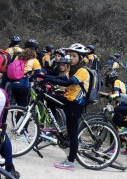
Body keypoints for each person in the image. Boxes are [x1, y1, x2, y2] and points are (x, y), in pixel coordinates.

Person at [39, 43, 91, 171]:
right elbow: (59, 78)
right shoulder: (73, 70)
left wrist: (46, 80)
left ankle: (70, 162)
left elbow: (67, 82)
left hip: (76, 104)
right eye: (70, 55)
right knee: (47, 97)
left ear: (81, 57)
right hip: (68, 100)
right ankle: (54, 126)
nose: (71, 58)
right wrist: (42, 76)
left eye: (74, 56)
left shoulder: (83, 70)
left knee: (73, 134)